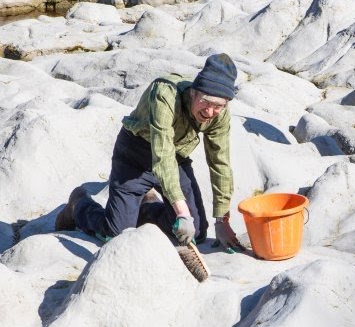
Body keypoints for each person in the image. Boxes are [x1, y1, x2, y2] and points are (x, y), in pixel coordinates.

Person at [56, 53, 242, 279]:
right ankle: (79, 206)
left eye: (218, 106)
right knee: (117, 236)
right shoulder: (164, 94)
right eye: (206, 102)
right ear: (194, 91)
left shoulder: (219, 114)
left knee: (199, 233)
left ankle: (146, 206)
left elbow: (219, 161)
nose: (210, 112)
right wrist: (182, 213)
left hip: (176, 158)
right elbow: (161, 153)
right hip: (135, 155)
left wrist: (222, 220)